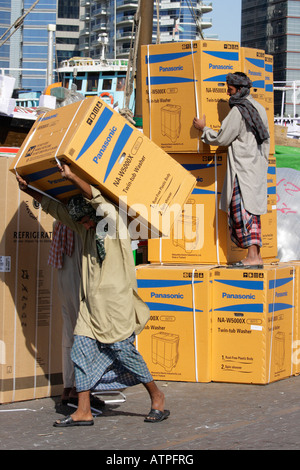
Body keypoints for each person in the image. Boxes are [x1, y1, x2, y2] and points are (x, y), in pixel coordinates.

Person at [16, 164, 169, 426]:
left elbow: (100, 201)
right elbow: (59, 211)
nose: (85, 224)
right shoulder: (84, 230)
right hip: (90, 308)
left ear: (94, 214)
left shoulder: (113, 224)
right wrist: (30, 190)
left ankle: (157, 396)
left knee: (125, 353)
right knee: (81, 352)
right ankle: (83, 410)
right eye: (82, 221)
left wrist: (74, 177)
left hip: (115, 307)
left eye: (87, 218)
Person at [193, 72, 270, 268]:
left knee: (243, 212)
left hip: (242, 170)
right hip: (256, 168)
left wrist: (204, 129)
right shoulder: (259, 108)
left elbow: (222, 138)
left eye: (231, 88)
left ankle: (252, 257)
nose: (228, 92)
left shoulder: (238, 111)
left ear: (239, 89)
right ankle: (256, 256)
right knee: (251, 212)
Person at [48, 221, 82, 405]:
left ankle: (69, 386)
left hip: (64, 270)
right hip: (75, 263)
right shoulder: (75, 219)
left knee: (70, 328)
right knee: (82, 328)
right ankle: (79, 388)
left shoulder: (60, 218)